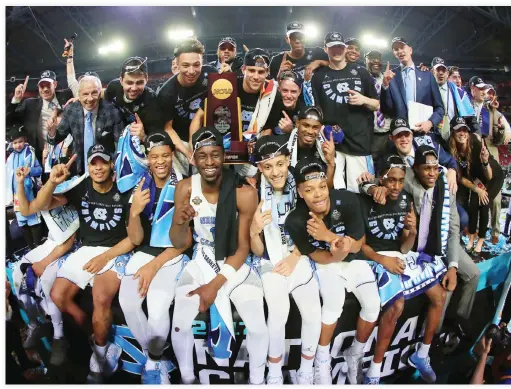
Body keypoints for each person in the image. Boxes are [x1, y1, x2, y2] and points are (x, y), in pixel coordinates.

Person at [22, 144, 134, 383]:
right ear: (89, 166)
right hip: (86, 249)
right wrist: (52, 181)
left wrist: (105, 257)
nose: (98, 167)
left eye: (102, 162)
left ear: (111, 164)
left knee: (100, 299)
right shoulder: (81, 187)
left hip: (116, 251)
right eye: (93, 163)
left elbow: (134, 238)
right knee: (57, 295)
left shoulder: (123, 189)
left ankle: (100, 356)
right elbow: (41, 205)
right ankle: (100, 342)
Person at [170, 127, 268, 384]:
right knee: (179, 324)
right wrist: (179, 223)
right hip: (201, 257)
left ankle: (258, 380)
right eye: (203, 156)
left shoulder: (244, 192)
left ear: (224, 156)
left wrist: (214, 286)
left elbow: (243, 248)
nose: (210, 162)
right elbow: (179, 242)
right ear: (194, 158)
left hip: (235, 263)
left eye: (215, 155)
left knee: (258, 326)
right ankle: (188, 379)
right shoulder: (184, 188)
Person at [366, 145, 480, 345]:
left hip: (442, 242)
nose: (432, 173)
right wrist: (373, 187)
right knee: (443, 290)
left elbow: (453, 229)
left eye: (435, 168)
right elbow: (377, 182)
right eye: (427, 168)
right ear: (416, 168)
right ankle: (431, 339)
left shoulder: (446, 185)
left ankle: (458, 321)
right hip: (415, 245)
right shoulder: (406, 179)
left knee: (473, 273)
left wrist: (453, 265)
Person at [284, 159, 380, 385]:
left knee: (373, 305)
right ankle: (322, 360)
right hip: (327, 263)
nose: (317, 195)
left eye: (321, 187)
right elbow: (319, 256)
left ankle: (355, 352)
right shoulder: (297, 220)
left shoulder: (346, 200)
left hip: (354, 259)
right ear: (299, 192)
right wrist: (338, 249)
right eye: (309, 190)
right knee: (333, 305)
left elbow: (358, 244)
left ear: (327, 184)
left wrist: (328, 237)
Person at [360, 154, 447, 384]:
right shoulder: (365, 198)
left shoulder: (405, 199)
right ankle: (374, 372)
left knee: (439, 295)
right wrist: (383, 260)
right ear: (381, 179)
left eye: (400, 180)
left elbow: (404, 245)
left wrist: (412, 232)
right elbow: (360, 246)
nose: (396, 186)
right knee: (396, 305)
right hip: (372, 258)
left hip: (398, 255)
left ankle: (422, 354)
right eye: (391, 180)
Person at [118, 132, 190, 384]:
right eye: (154, 156)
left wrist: (154, 266)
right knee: (128, 302)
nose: (160, 161)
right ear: (148, 159)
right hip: (144, 253)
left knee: (158, 313)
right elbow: (136, 239)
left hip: (172, 254)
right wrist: (135, 213)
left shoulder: (184, 185)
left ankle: (153, 363)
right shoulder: (141, 186)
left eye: (165, 155)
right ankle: (156, 357)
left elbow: (185, 242)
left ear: (173, 156)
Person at [250, 136, 321, 384]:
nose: (275, 172)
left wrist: (294, 257)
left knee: (313, 313)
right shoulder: (252, 188)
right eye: (268, 167)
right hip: (270, 260)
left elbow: (314, 228)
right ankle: (275, 373)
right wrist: (253, 229)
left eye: (280, 164)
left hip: (299, 254)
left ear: (288, 160)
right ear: (259, 167)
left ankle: (307, 370)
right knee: (279, 311)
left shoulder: (302, 182)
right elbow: (257, 251)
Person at [14, 153, 79, 366]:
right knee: (17, 272)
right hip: (52, 242)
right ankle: (35, 323)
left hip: (69, 248)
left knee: (48, 281)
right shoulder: (45, 193)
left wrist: (44, 263)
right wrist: (20, 183)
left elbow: (69, 240)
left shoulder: (68, 193)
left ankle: (60, 336)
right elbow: (26, 209)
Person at [307, 31, 379, 193]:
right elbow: (317, 110)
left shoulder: (361, 72)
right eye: (332, 47)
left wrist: (364, 100)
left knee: (363, 190)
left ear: (345, 49)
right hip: (333, 144)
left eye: (340, 47)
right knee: (334, 192)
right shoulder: (318, 77)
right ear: (326, 49)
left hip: (359, 143)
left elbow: (376, 104)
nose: (337, 51)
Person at [447, 116, 504, 257]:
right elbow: (461, 178)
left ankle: (480, 241)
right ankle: (472, 238)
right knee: (473, 204)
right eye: (458, 130)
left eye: (464, 130)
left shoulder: (476, 144)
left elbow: (489, 176)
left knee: (484, 204)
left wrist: (485, 162)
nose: (462, 133)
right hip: (477, 180)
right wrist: (477, 189)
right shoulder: (452, 148)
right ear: (453, 133)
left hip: (493, 176)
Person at [46, 75, 124, 175]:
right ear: (79, 95)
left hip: (105, 171)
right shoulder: (71, 110)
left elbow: (120, 145)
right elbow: (55, 140)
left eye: (94, 93)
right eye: (85, 94)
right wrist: (52, 132)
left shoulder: (112, 112)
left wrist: (115, 166)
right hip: (79, 170)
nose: (90, 98)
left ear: (100, 92)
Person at [468, 76, 511, 244]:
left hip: (490, 155)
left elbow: (501, 140)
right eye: (480, 89)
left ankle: (495, 232)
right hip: (472, 155)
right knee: (475, 195)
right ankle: (475, 231)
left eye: (485, 89)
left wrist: (501, 130)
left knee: (495, 198)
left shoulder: (493, 111)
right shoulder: (464, 106)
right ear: (473, 89)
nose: (484, 92)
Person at [156, 38, 218, 145]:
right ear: (177, 64)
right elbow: (168, 129)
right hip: (181, 141)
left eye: (196, 65)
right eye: (185, 65)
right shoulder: (165, 93)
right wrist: (188, 152)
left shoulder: (211, 73)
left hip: (210, 136)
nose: (191, 71)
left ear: (202, 62)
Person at [374, 118, 458, 194]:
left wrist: (452, 171)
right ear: (391, 138)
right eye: (398, 135)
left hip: (439, 191)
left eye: (406, 134)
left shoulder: (427, 143)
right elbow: (379, 176)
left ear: (412, 135)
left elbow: (450, 160)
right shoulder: (388, 157)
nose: (404, 139)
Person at [380, 37, 444, 134]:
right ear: (394, 54)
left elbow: (440, 108)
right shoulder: (391, 77)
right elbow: (386, 109)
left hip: (425, 132)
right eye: (396, 49)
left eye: (402, 47)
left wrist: (430, 123)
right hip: (402, 134)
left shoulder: (427, 76)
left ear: (410, 50)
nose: (400, 51)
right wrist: (385, 85)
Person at [7, 70, 74, 160]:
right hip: (38, 155)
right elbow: (9, 121)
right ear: (38, 87)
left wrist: (77, 98)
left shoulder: (66, 96)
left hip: (64, 153)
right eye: (42, 86)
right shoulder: (29, 104)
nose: (45, 89)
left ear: (55, 84)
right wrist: (16, 100)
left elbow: (81, 91)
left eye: (48, 85)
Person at [6, 124, 43, 249]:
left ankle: (38, 244)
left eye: (20, 141)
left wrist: (30, 171)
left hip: (29, 192)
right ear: (11, 143)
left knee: (33, 219)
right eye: (15, 142)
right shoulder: (10, 158)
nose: (18, 145)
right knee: (22, 221)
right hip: (16, 194)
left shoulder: (30, 153)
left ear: (25, 140)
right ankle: (30, 246)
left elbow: (39, 170)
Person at [286, 106, 337, 188]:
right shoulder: (284, 147)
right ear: (297, 123)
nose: (310, 131)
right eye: (306, 125)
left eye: (315, 127)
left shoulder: (326, 150)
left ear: (320, 128)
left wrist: (331, 163)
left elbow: (328, 189)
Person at [431, 57, 477, 142]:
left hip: (454, 136)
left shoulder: (460, 93)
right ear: (432, 72)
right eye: (438, 70)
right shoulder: (426, 90)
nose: (441, 73)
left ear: (447, 73)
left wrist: (476, 134)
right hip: (433, 136)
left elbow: (471, 117)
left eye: (443, 70)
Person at [365, 49, 392, 159]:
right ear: (365, 60)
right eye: (372, 58)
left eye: (378, 59)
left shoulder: (389, 78)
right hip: (369, 133)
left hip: (387, 133)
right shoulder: (361, 78)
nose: (376, 61)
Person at [264, 70, 305, 135]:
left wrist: (291, 131)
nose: (288, 96)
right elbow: (266, 132)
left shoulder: (304, 111)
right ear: (279, 89)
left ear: (299, 92)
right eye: (285, 90)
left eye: (293, 91)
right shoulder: (271, 106)